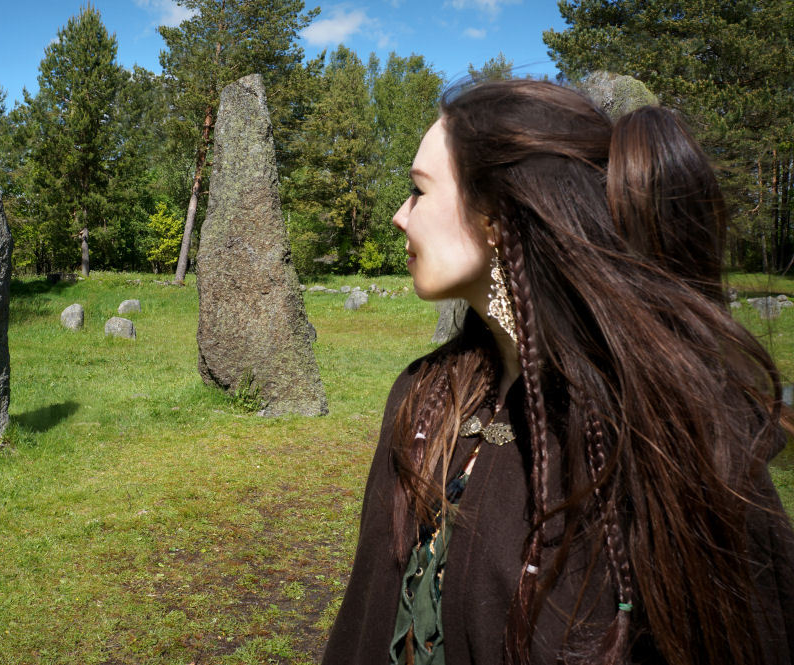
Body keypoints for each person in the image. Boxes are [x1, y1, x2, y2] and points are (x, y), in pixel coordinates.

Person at [321, 79, 794, 665]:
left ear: (495, 215)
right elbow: (367, 621)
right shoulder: (424, 395)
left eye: (419, 191)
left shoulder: (659, 437)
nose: (399, 216)